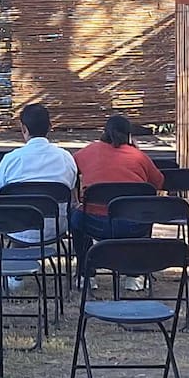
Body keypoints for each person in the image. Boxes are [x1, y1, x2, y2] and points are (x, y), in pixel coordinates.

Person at [70, 115, 165, 291]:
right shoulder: (139, 157)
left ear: (104, 133)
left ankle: (86, 274)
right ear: (129, 136)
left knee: (75, 218)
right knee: (145, 213)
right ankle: (134, 275)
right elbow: (158, 182)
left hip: (94, 224)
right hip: (133, 226)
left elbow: (71, 168)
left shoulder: (88, 152)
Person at [0, 103, 77, 244]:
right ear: (50, 127)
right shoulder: (65, 157)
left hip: (17, 229)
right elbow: (72, 196)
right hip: (56, 228)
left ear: (24, 128)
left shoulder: (12, 159)